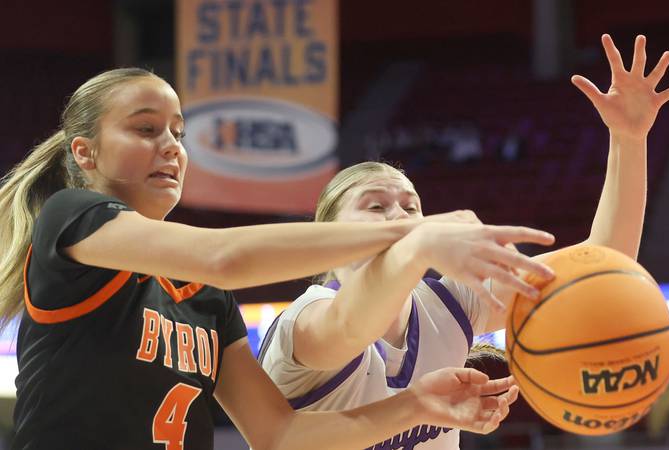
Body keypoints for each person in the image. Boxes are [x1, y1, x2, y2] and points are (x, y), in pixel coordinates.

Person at [1, 68, 555, 450]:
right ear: (84, 152)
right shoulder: (70, 217)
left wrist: (417, 408)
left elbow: (280, 436)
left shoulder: (202, 297)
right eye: (146, 129)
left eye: (178, 131)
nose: (171, 145)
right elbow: (226, 255)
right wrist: (416, 234)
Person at [259, 34, 669, 449]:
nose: (399, 217)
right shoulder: (307, 320)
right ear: (329, 235)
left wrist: (629, 140)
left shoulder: (451, 304)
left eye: (411, 207)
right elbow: (353, 325)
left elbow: (604, 270)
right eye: (375, 206)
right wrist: (419, 247)